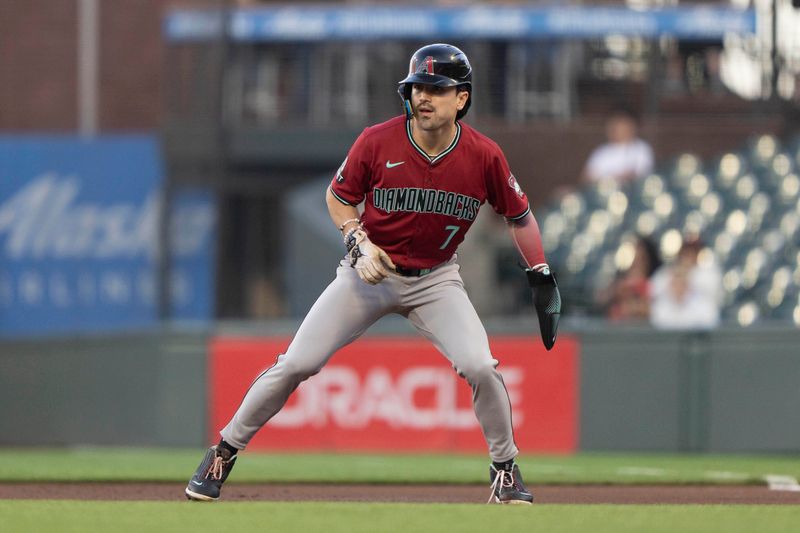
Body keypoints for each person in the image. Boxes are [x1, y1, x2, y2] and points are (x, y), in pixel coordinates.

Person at [184, 43, 561, 505]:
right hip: (368, 272)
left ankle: (505, 471)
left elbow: (519, 215)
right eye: (417, 87)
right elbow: (338, 196)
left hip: (436, 279)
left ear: (461, 98)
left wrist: (539, 271)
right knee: (298, 363)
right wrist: (356, 241)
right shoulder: (378, 140)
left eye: (437, 88)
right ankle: (222, 452)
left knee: (481, 366)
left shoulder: (483, 156)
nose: (423, 97)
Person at [649, 237, 722, 330]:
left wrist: (687, 274)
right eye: (686, 252)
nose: (688, 256)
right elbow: (653, 289)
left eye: (692, 252)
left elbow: (710, 322)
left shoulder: (703, 305)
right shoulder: (661, 307)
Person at [581, 108, 654, 185]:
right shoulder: (601, 151)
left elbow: (642, 175)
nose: (615, 129)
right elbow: (586, 178)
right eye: (612, 125)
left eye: (621, 125)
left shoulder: (641, 148)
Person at [598, 236, 661, 322]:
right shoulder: (618, 283)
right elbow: (601, 300)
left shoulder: (657, 282)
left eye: (641, 258)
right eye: (634, 256)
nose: (637, 261)